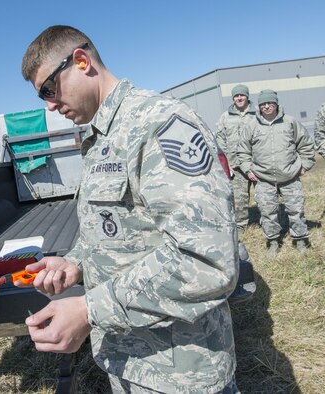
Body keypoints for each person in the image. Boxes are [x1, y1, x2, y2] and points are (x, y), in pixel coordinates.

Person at [20, 26, 239, 393]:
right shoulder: (102, 136)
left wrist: (90, 310)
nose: (49, 106)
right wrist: (76, 263)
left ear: (81, 61)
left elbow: (206, 260)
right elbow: (124, 233)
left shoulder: (159, 124)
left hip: (180, 371)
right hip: (131, 362)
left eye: (48, 89)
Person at [237, 89, 315, 255]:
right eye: (263, 104)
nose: (266, 107)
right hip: (263, 178)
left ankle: (300, 240)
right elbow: (242, 151)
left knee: (296, 210)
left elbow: (306, 145)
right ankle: (273, 241)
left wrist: (305, 165)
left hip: (290, 176)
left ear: (276, 104)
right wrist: (247, 169)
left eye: (270, 103)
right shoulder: (251, 125)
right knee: (267, 212)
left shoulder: (290, 122)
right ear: (259, 106)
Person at [216, 84, 256, 237]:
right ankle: (240, 227)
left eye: (242, 95)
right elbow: (220, 140)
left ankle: (268, 223)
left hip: (256, 164)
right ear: (233, 98)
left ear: (247, 96)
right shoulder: (225, 117)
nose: (239, 98)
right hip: (236, 166)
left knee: (264, 196)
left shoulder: (257, 113)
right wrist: (226, 163)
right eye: (236, 96)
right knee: (239, 200)